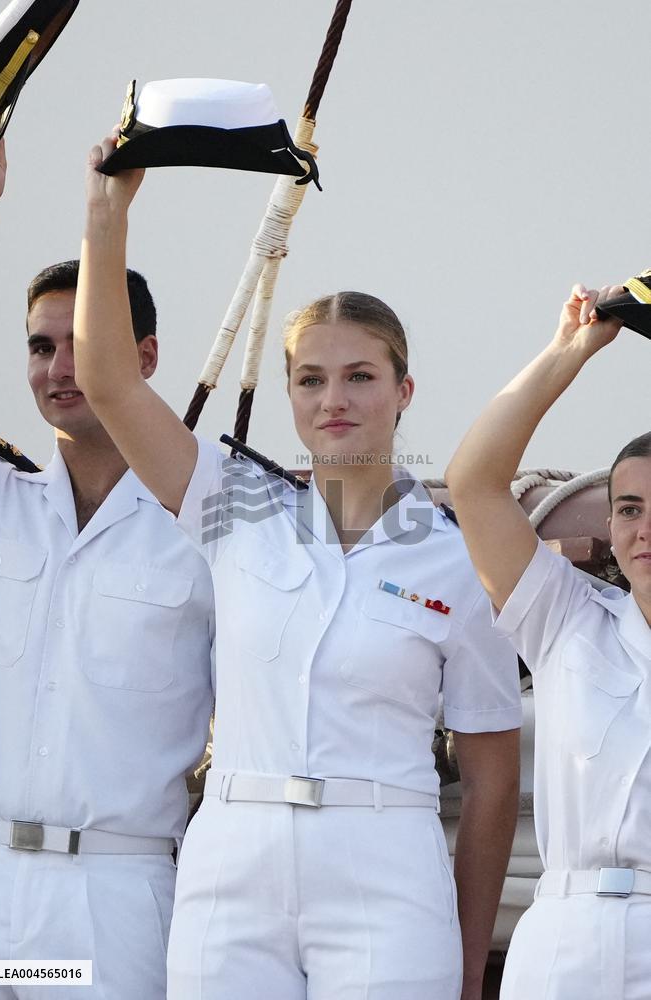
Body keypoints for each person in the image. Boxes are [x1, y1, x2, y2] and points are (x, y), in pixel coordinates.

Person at [73, 132, 523, 1000]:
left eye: (360, 376)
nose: (335, 400)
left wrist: (472, 960)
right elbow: (109, 382)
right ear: (289, 395)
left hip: (386, 871)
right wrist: (106, 214)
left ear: (405, 391)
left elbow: (493, 777)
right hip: (231, 867)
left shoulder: (462, 557)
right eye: (311, 380)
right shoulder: (231, 508)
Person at [0, 123, 215, 1000]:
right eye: (40, 346)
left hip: (112, 895)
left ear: (141, 357)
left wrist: (107, 210)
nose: (56, 367)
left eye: (78, 342)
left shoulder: (205, 524)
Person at [446, 284, 651, 999]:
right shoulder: (568, 618)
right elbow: (474, 481)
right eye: (629, 509)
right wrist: (570, 351)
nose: (643, 529)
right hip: (565, 936)